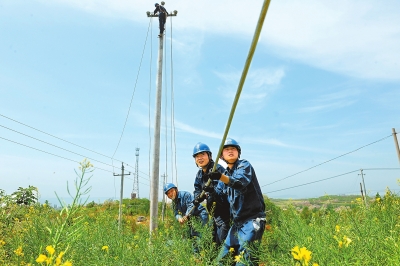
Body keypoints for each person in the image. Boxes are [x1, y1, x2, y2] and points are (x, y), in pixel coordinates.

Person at [206, 138, 266, 265]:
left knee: (245, 261)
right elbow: (221, 197)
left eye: (233, 149)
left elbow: (239, 182)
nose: (230, 151)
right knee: (222, 260)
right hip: (237, 224)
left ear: (238, 152)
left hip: (252, 220)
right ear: (221, 156)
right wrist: (211, 192)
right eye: (226, 149)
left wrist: (220, 177)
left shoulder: (244, 165)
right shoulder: (226, 173)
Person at [192, 142, 230, 246]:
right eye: (197, 156)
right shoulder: (200, 175)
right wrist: (197, 197)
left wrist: (212, 191)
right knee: (208, 244)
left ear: (209, 156)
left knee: (222, 246)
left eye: (203, 155)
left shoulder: (217, 170)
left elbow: (225, 192)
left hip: (224, 215)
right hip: (213, 215)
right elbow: (197, 189)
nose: (200, 158)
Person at [164, 183, 208, 252]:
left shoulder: (185, 195)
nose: (171, 194)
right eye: (168, 193)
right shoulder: (173, 204)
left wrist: (186, 216)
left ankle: (200, 255)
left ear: (176, 190)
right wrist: (179, 218)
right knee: (189, 235)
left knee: (197, 234)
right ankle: (196, 253)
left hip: (200, 214)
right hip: (190, 218)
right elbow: (176, 213)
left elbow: (191, 206)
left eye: (172, 191)